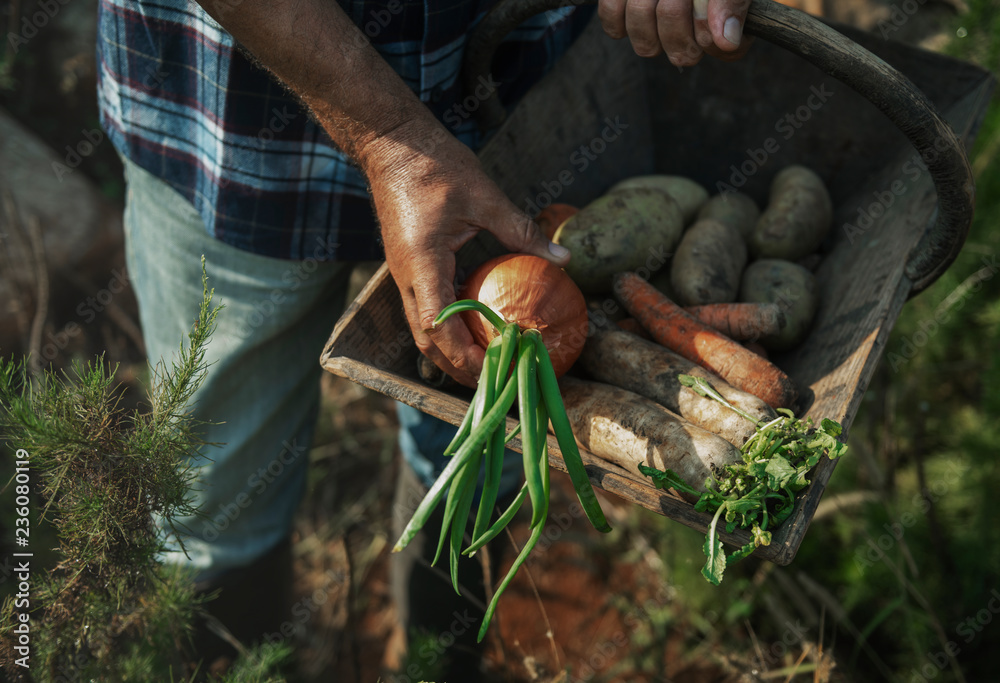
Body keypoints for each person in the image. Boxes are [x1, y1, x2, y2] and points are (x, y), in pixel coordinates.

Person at [96, 0, 750, 676]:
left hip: (508, 108)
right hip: (234, 127)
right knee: (215, 487)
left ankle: (434, 661)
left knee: (471, 458)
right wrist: (390, 138)